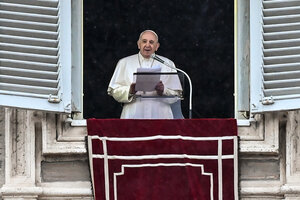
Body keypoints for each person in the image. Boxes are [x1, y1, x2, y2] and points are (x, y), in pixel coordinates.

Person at [107, 30, 182, 119]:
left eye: (151, 42)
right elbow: (114, 91)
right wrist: (130, 90)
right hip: (133, 115)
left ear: (157, 46)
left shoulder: (168, 64)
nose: (147, 45)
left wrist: (163, 90)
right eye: (144, 41)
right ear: (139, 44)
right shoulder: (124, 63)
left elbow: (177, 95)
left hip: (160, 116)